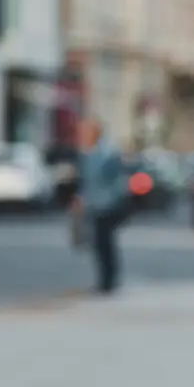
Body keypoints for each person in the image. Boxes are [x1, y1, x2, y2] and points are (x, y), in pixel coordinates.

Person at [73, 117, 129, 294]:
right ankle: (105, 280)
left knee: (104, 244)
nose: (81, 136)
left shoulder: (106, 154)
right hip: (95, 205)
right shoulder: (88, 154)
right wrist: (80, 198)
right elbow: (87, 182)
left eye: (85, 132)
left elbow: (114, 181)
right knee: (99, 244)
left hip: (107, 205)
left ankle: (108, 281)